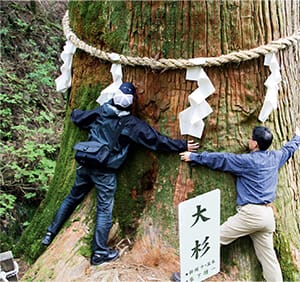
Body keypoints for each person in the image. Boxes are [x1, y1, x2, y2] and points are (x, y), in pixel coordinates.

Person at [41, 82, 199, 266]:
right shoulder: (131, 124)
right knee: (104, 210)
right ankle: (99, 253)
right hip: (104, 171)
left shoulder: (101, 111)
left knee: (71, 198)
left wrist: (74, 110)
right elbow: (155, 141)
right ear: (132, 103)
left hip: (85, 163)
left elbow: (78, 118)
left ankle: (49, 233)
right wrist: (182, 145)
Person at [179, 126, 300, 281]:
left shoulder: (248, 161)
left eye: (251, 138)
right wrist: (297, 137)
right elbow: (288, 149)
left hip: (251, 215)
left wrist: (195, 157)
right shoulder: (275, 157)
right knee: (269, 259)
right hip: (268, 217)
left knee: (212, 238)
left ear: (255, 144)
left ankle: (187, 274)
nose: (248, 140)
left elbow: (222, 159)